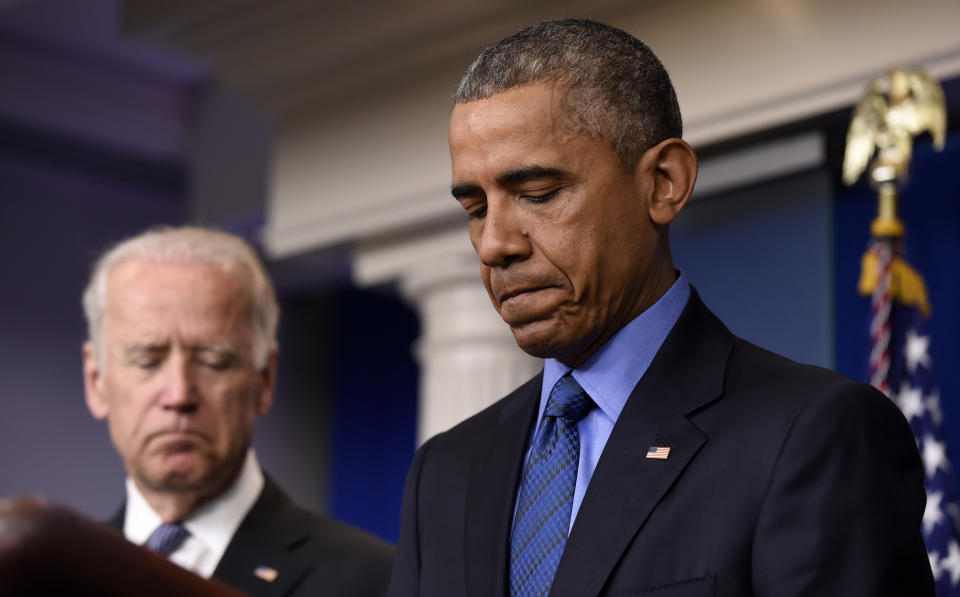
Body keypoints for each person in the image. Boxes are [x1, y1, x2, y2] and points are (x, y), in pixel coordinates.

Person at [387, 19, 934, 597]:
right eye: (475, 208)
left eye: (538, 194)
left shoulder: (815, 436)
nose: (495, 242)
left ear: (664, 183)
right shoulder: (445, 472)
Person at [81, 226, 393, 597]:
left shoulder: (375, 581)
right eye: (147, 361)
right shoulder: (48, 578)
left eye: (214, 361)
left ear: (264, 379)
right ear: (96, 380)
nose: (179, 395)